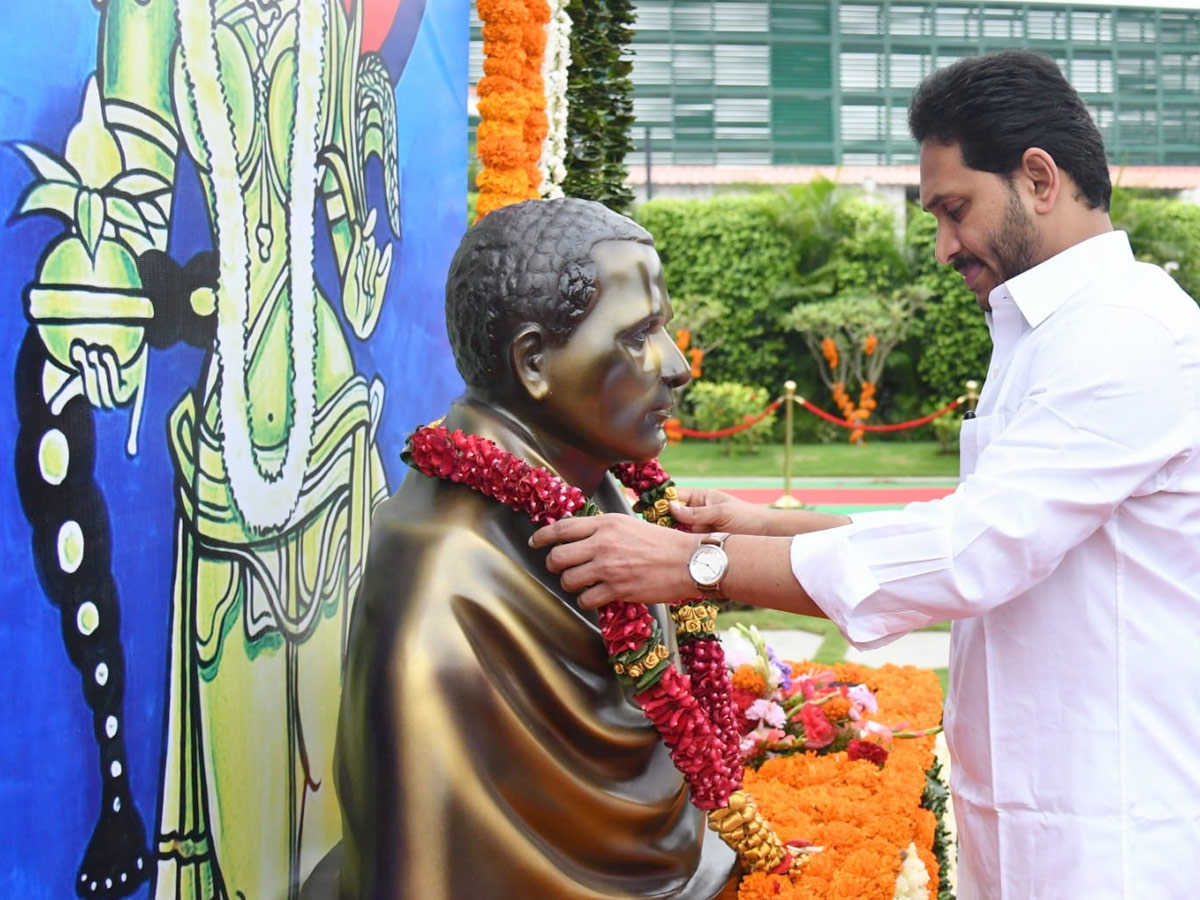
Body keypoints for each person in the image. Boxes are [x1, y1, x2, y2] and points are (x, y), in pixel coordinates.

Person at [531, 50, 1200, 898]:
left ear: (1038, 177)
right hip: (1044, 814)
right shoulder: (1045, 331)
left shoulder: (1127, 332)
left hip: (1119, 833)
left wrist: (692, 566)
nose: (943, 245)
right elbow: (976, 525)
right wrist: (754, 524)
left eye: (955, 210)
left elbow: (973, 551)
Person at [331, 197, 739, 899]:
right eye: (639, 335)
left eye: (663, 330)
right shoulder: (449, 585)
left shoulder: (601, 497)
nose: (676, 366)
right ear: (534, 362)